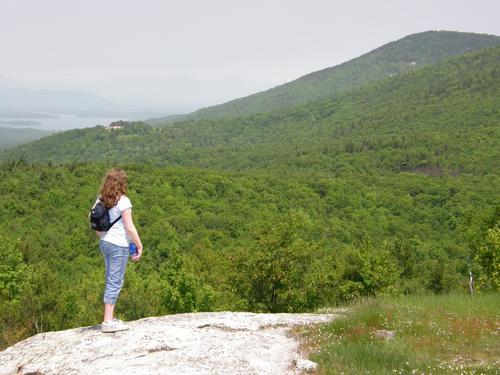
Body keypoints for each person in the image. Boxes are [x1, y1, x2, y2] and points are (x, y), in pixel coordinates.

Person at [93, 168, 143, 333]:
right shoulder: (123, 201)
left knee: (110, 279)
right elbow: (129, 227)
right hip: (118, 245)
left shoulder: (101, 199)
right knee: (116, 281)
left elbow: (91, 218)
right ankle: (107, 322)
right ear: (122, 183)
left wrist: (102, 235)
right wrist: (139, 245)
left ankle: (109, 317)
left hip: (105, 243)